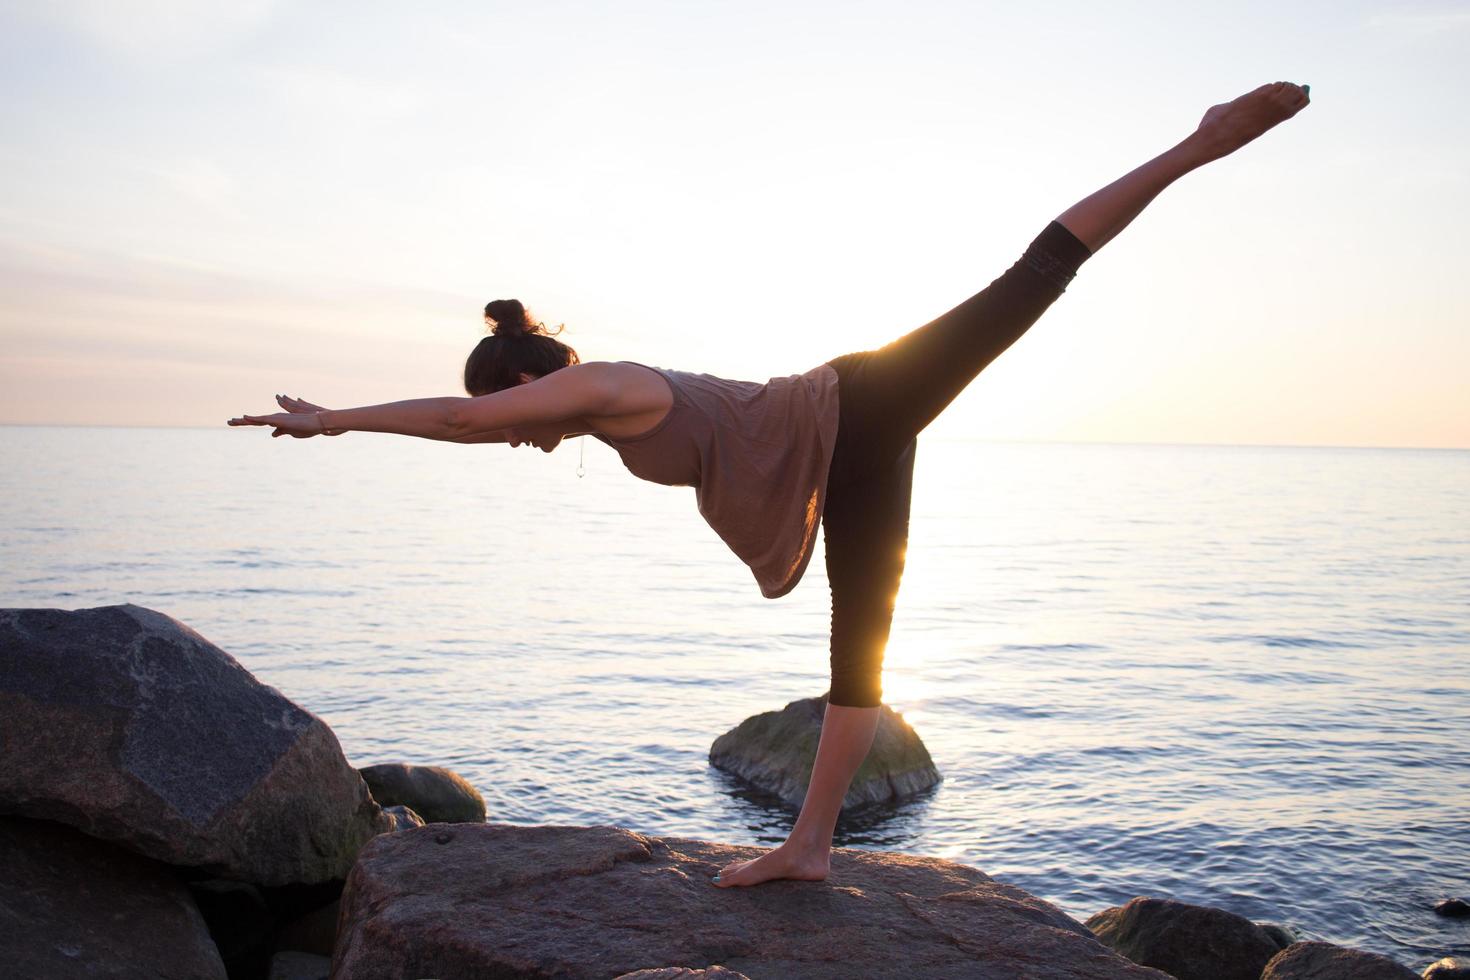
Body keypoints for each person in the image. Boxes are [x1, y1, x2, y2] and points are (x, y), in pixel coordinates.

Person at [231, 82, 1310, 888]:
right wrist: (364, 428)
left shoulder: (604, 383)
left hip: (858, 404)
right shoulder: (597, 417)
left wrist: (336, 417)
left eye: (517, 421)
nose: (513, 441)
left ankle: (1200, 141)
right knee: (860, 641)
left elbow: (464, 418)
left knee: (1030, 278)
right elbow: (471, 433)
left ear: (528, 387)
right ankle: (811, 847)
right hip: (851, 451)